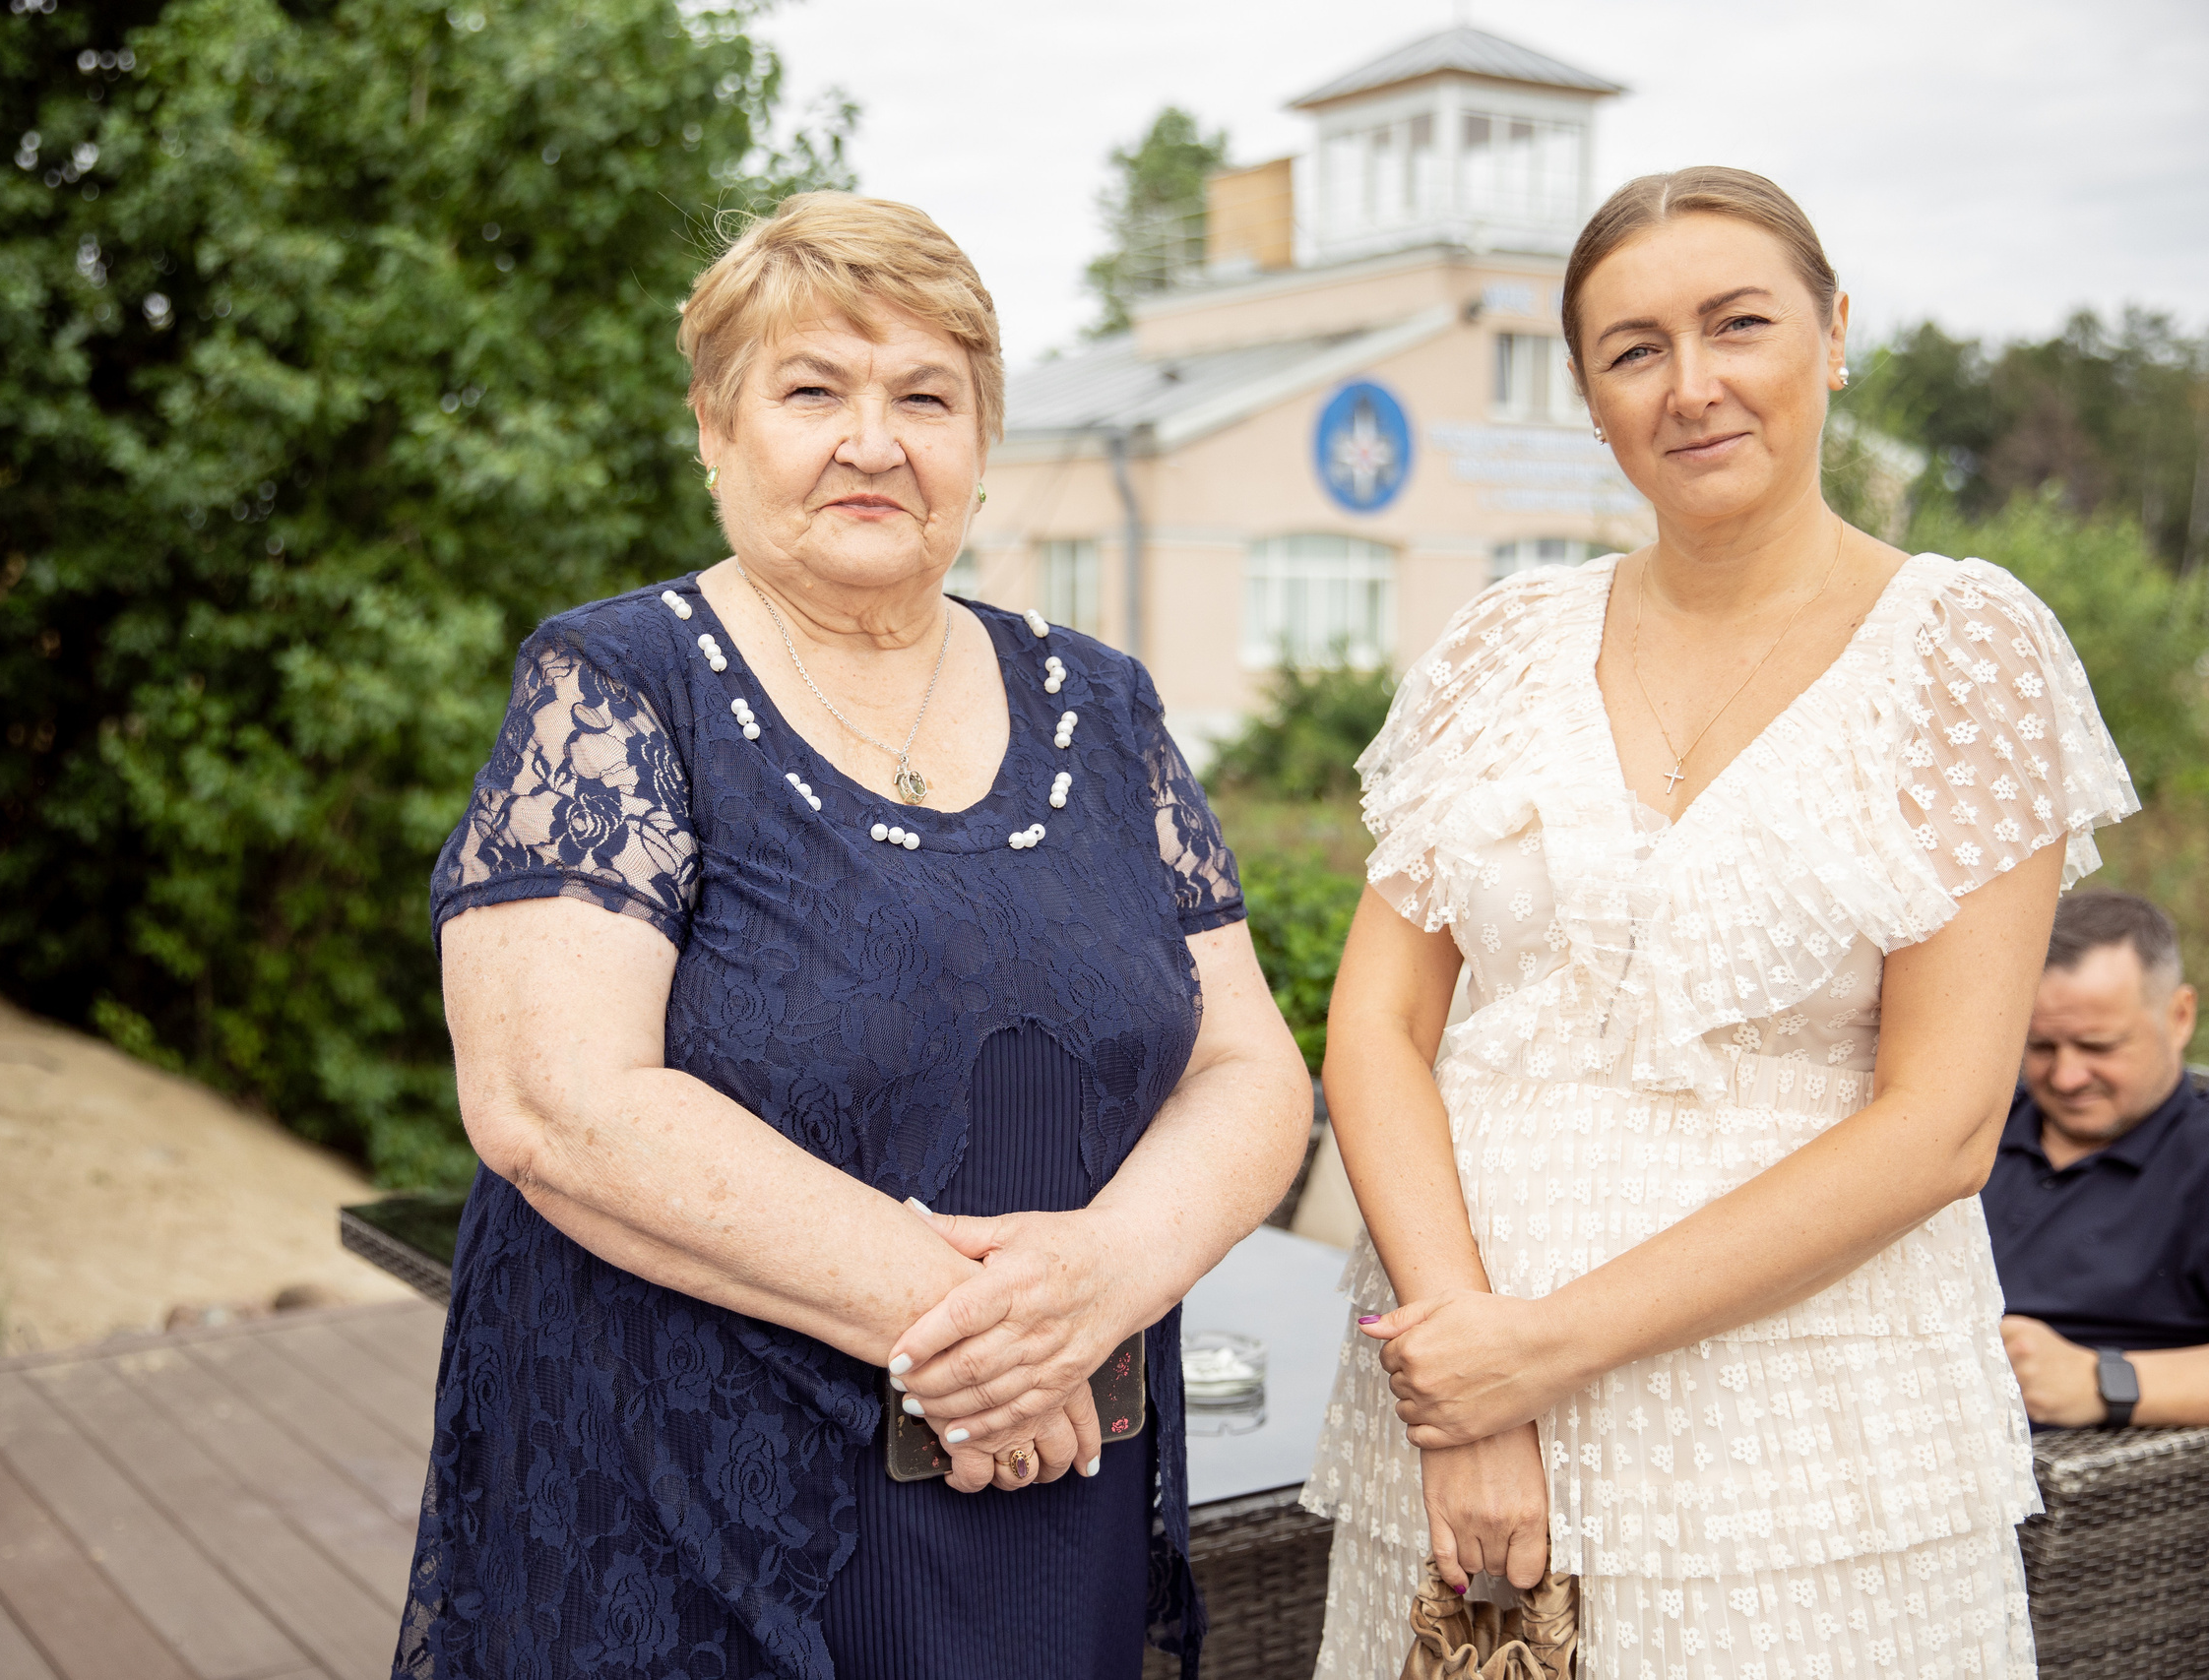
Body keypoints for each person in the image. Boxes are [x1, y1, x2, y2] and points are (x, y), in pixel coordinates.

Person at [393, 192, 1313, 1680]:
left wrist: (1106, 1278)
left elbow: (1251, 1063)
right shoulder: (620, 685)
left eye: (926, 397)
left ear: (983, 443)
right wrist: (996, 1337)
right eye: (812, 389)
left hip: (1045, 1479)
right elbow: (554, 1101)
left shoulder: (1108, 702)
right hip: (699, 1497)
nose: (872, 440)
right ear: (716, 427)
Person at [1300, 165, 2139, 1679]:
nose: (1692, 386)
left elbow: (1944, 1123)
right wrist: (1468, 1360)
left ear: (1832, 334)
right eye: (1633, 349)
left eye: (1736, 324)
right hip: (1459, 1399)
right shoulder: (1499, 641)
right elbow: (1375, 1024)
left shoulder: (1967, 648)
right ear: (1591, 395)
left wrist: (1541, 1352)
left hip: (1805, 1430)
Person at [1985, 889, 2209, 1428]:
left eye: (2099, 1046)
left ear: (2179, 1017)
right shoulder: (1978, 1127)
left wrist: (2106, 1380)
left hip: (2108, 1494)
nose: (2065, 1078)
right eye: (2040, 1046)